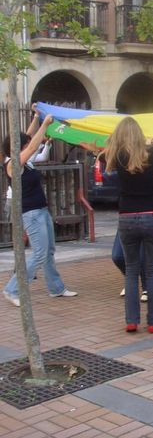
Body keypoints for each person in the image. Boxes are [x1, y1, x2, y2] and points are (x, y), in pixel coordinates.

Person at [3, 113, 77, 307]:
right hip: (31, 213)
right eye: (24, 144)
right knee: (39, 253)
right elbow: (33, 144)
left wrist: (36, 118)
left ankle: (56, 288)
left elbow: (27, 137)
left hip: (41, 210)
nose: (29, 145)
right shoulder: (13, 164)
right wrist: (44, 124)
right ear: (18, 147)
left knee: (49, 250)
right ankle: (12, 289)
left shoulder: (23, 160)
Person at [105, 117, 153, 333]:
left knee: (131, 271)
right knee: (152, 271)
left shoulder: (117, 155)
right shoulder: (152, 153)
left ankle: (132, 320)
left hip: (127, 215)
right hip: (152, 214)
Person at [112, 230, 147, 302]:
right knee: (117, 256)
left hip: (144, 223)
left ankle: (146, 288)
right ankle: (131, 280)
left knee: (141, 258)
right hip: (125, 222)